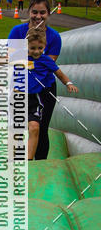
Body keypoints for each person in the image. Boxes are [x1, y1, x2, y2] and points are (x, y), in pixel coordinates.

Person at [0, 0, 62, 159]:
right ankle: (17, 161)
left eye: (42, 12)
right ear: (29, 12)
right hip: (20, 86)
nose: (38, 16)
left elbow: (44, 66)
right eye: (34, 12)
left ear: (48, 14)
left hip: (44, 89)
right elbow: (8, 60)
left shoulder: (54, 37)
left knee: (40, 128)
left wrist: (19, 58)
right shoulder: (18, 32)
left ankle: (39, 165)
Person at [25, 29, 77, 160]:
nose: (36, 51)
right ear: (26, 46)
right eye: (32, 48)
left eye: (40, 48)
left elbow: (59, 73)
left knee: (37, 127)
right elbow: (3, 59)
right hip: (24, 95)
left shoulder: (46, 60)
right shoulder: (21, 58)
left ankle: (33, 159)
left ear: (44, 47)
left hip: (39, 96)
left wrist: (68, 83)